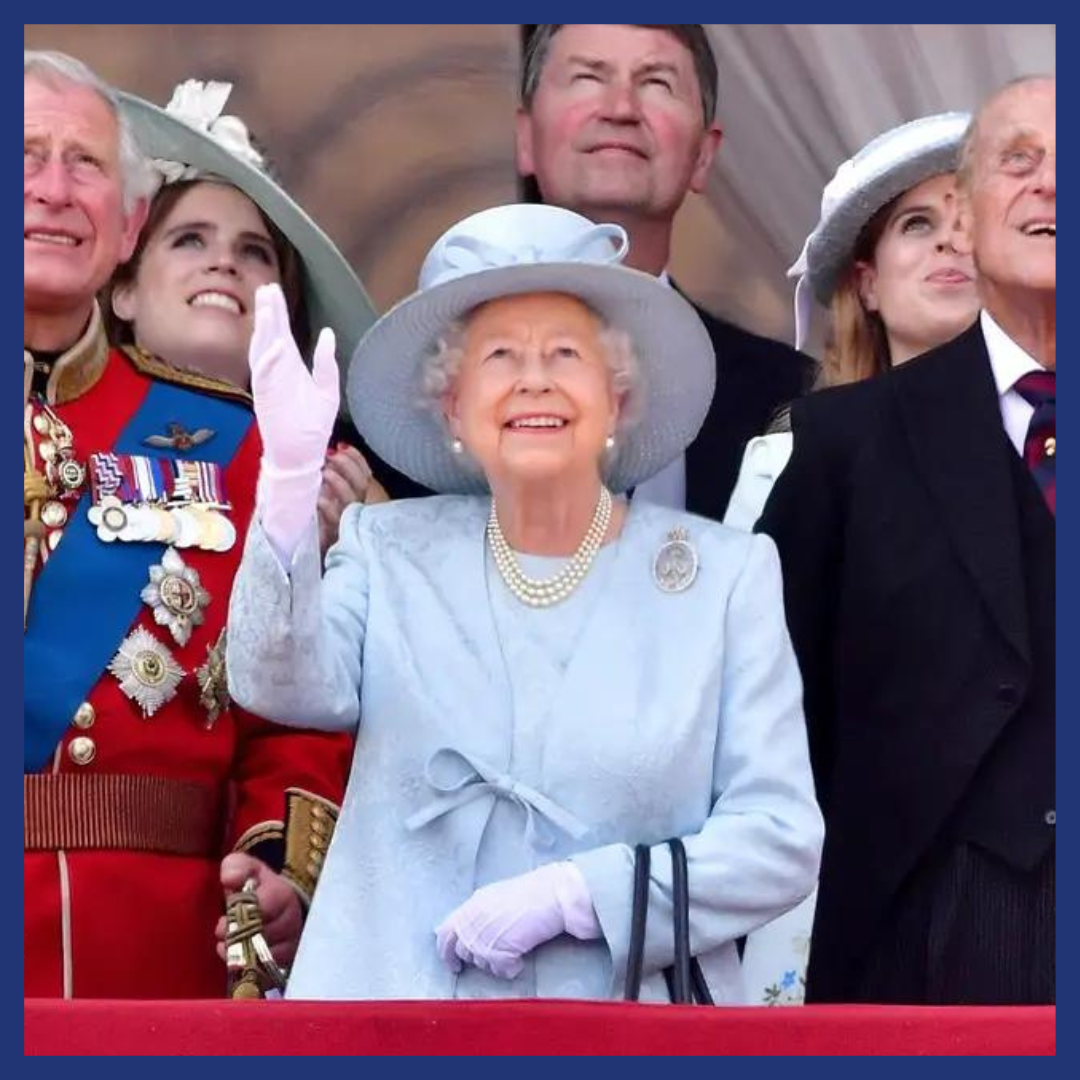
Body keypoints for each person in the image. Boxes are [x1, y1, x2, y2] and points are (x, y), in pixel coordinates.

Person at [226, 202, 824, 1000]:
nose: (534, 378)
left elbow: (780, 841)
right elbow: (279, 684)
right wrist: (290, 489)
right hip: (397, 1021)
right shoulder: (387, 546)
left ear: (619, 397)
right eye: (500, 355)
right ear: (453, 407)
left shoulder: (724, 577)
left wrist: (585, 896)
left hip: (624, 1033)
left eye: (566, 353)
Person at [23, 54, 350, 999]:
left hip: (163, 956)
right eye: (26, 157)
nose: (52, 190)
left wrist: (279, 864)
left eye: (83, 164)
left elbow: (294, 706)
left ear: (127, 225)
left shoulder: (238, 444)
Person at [758, 76, 1055, 1004]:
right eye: (1021, 162)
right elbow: (767, 716)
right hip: (930, 945)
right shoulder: (846, 444)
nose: (1053, 185)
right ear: (964, 218)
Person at [728, 112, 978, 1002]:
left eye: (973, 219)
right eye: (920, 223)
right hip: (833, 883)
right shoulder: (783, 457)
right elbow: (747, 701)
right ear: (865, 283)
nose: (955, 241)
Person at [516, 24, 814, 522]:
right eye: (589, 77)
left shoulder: (791, 401)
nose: (620, 109)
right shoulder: (427, 385)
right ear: (525, 138)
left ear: (703, 156)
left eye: (657, 83)